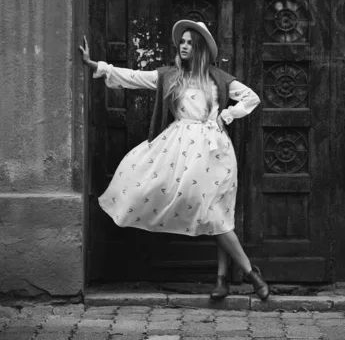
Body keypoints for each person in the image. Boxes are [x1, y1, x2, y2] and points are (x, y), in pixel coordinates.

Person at [79, 20, 269, 301]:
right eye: (182, 42)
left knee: (219, 212)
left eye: (190, 43)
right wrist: (97, 66)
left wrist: (226, 115)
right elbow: (134, 77)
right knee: (212, 212)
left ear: (200, 48)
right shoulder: (169, 76)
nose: (184, 46)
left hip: (215, 151)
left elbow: (251, 98)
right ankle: (251, 273)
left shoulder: (218, 78)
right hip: (180, 148)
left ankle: (222, 279)